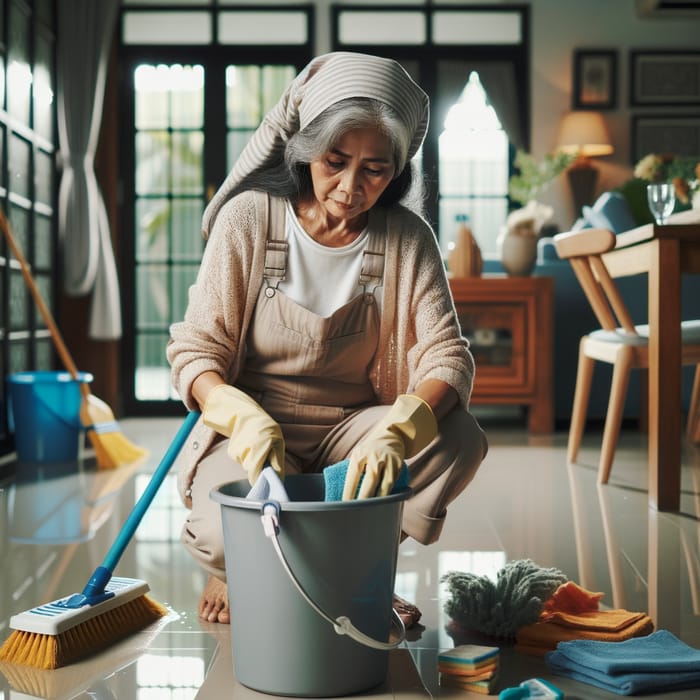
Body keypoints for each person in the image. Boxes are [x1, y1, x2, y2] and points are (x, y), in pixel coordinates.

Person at [167, 51, 488, 628]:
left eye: (375, 169)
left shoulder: (407, 239)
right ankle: (264, 568)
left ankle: (356, 568)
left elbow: (447, 354)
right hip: (258, 432)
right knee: (219, 534)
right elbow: (195, 350)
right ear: (305, 150)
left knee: (459, 437)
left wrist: (401, 427)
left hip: (353, 429)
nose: (349, 187)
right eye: (335, 161)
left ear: (397, 170)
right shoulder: (250, 219)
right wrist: (238, 414)